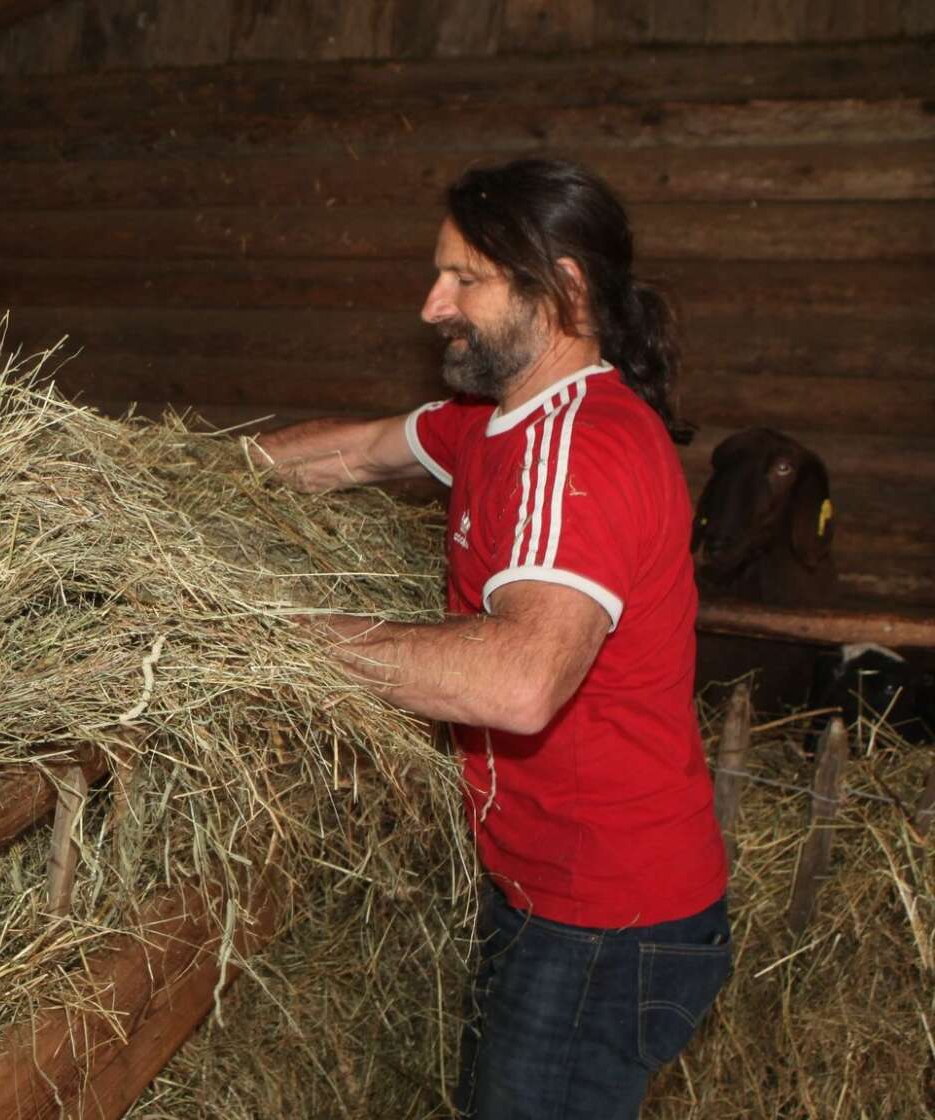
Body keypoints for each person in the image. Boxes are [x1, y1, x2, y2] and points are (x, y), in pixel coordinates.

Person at [250, 158, 730, 1119]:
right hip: (549, 888)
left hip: (606, 917)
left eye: (464, 278)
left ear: (563, 290)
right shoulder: (496, 422)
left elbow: (518, 682)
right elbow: (350, 453)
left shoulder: (579, 448)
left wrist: (269, 636)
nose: (433, 305)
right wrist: (174, 477)